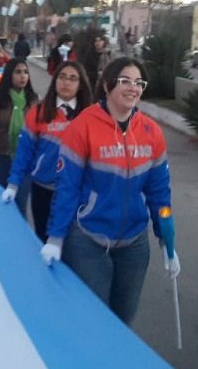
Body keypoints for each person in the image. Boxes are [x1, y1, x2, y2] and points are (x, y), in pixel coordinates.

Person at [40, 57, 180, 325]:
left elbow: (160, 194)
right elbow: (67, 188)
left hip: (134, 243)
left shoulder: (152, 132)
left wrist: (167, 240)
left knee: (124, 318)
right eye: (125, 81)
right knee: (93, 320)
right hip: (88, 240)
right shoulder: (82, 126)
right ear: (107, 85)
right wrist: (55, 237)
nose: (133, 88)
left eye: (139, 82)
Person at [3, 61, 92, 242]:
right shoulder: (38, 113)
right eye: (62, 77)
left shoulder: (90, 116)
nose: (66, 82)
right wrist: (13, 184)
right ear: (55, 80)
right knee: (44, 239)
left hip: (78, 192)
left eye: (73, 78)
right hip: (43, 190)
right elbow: (24, 152)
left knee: (74, 244)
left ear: (80, 84)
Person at [0, 58, 37, 213]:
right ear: (9, 74)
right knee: (3, 204)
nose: (22, 76)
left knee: (20, 206)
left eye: (25, 72)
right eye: (18, 72)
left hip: (25, 161)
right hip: (1, 158)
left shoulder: (33, 99)